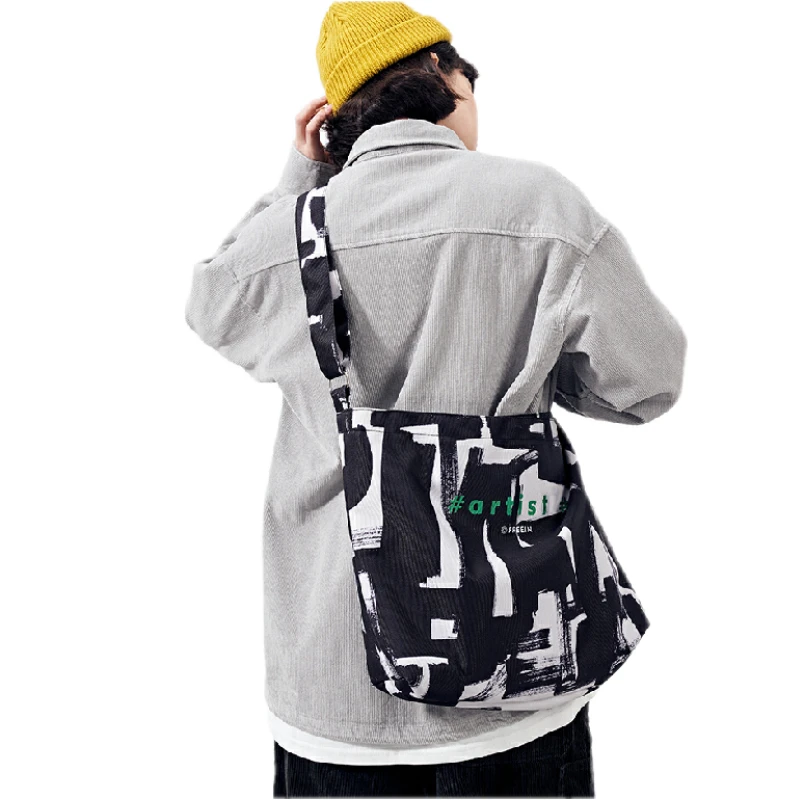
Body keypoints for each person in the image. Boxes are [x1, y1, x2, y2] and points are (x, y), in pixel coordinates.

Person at [184, 2, 687, 797]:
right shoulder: (543, 206)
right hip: (517, 688)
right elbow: (650, 381)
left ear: (339, 121)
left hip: (332, 702)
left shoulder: (293, 235)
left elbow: (211, 306)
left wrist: (298, 177)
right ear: (446, 78)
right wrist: (533, 370)